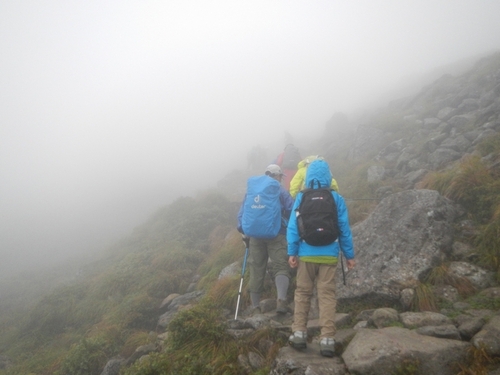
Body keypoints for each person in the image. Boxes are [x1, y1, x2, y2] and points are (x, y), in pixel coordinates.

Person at [287, 159, 355, 357]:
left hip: (306, 255)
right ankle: (327, 339)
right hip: (329, 256)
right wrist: (349, 255)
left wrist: (292, 252)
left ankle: (299, 334)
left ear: (308, 176)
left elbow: (293, 227)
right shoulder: (336, 198)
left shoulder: (301, 197)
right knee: (326, 296)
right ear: (328, 175)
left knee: (302, 294)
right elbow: (344, 229)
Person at [237, 164, 294, 314]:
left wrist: (244, 233)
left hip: (255, 236)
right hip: (277, 233)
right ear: (276, 176)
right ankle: (281, 301)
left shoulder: (252, 190)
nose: (281, 179)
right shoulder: (279, 189)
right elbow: (291, 208)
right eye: (281, 176)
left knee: (256, 268)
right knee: (280, 265)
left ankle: (255, 307)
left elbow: (242, 214)